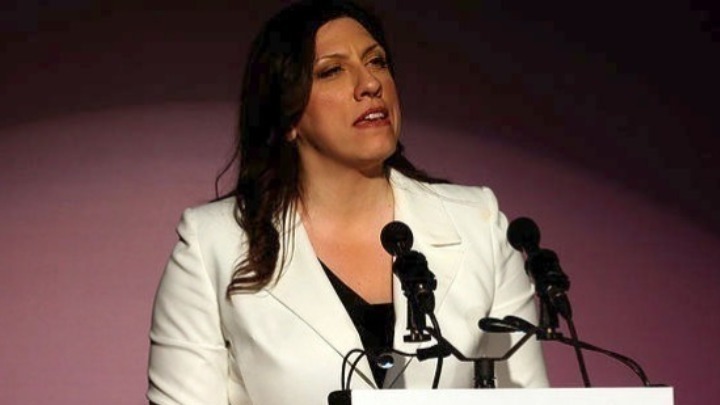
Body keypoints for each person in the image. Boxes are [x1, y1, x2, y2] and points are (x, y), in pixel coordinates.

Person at [147, 1, 548, 404]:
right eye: (332, 71)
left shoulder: (479, 226)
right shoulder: (213, 246)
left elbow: (526, 396)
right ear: (287, 116)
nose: (370, 83)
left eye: (377, 62)